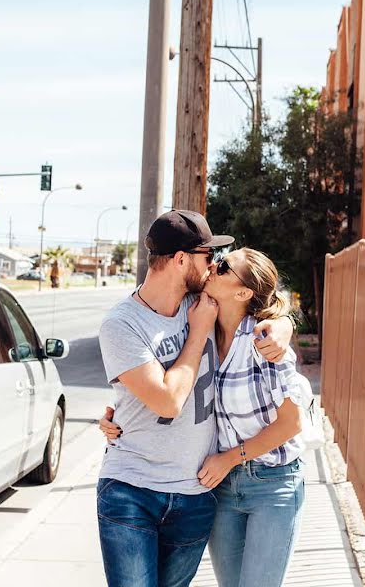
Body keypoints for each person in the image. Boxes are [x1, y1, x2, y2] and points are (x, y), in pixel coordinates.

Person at [96, 211, 294, 587]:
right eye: (209, 257)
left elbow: (261, 295)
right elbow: (168, 401)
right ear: (181, 260)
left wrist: (284, 326)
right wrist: (197, 332)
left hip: (195, 493)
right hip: (132, 490)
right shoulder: (123, 324)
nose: (214, 265)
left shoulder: (204, 302)